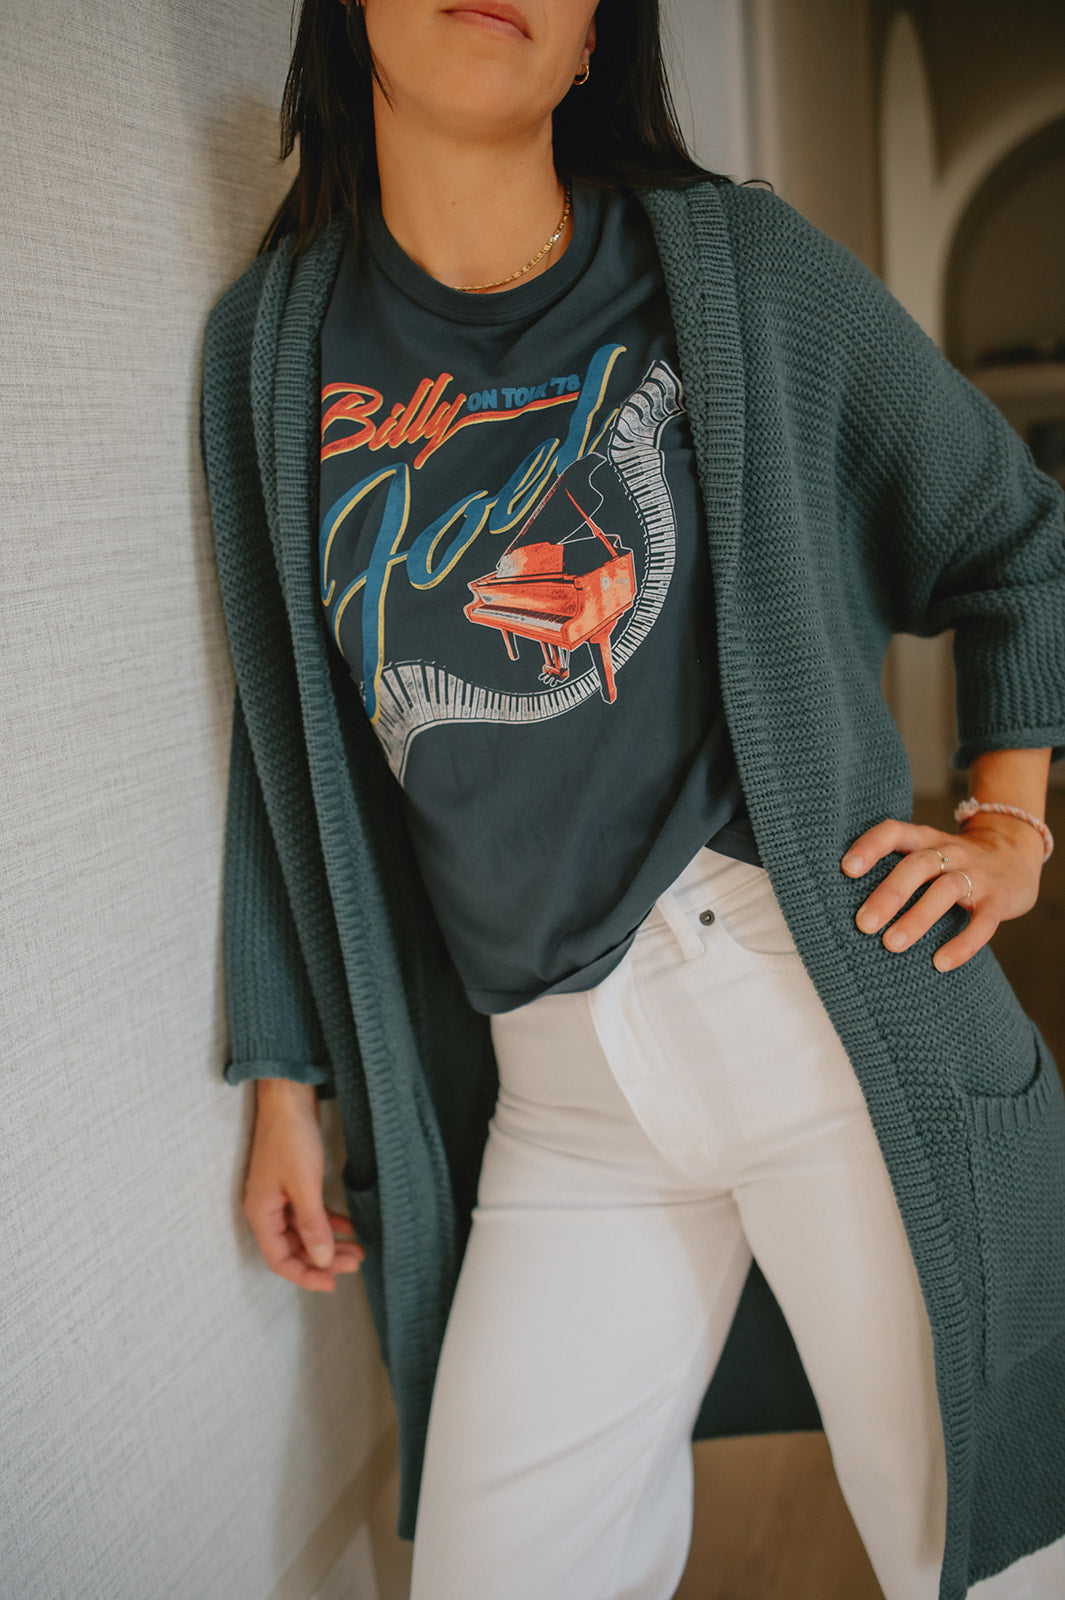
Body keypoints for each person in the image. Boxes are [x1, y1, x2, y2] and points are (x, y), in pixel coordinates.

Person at [197, 2, 1065, 1597]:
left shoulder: (737, 272)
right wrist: (283, 1078)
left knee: (995, 1559)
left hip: (826, 1022)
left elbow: (1015, 540)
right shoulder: (270, 349)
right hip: (560, 1106)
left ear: (595, 38)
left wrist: (1008, 823)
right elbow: (287, 738)